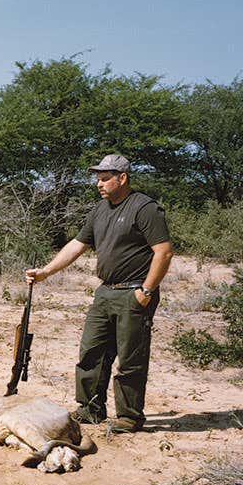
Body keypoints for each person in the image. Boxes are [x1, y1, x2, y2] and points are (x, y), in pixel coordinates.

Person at [25, 154, 174, 432]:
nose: (99, 184)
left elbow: (163, 252)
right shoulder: (99, 210)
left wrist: (146, 291)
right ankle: (90, 409)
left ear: (123, 178)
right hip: (105, 292)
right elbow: (77, 245)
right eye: (97, 179)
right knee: (91, 352)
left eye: (105, 178)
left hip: (134, 292)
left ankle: (129, 417)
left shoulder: (144, 208)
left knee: (130, 358)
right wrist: (46, 272)